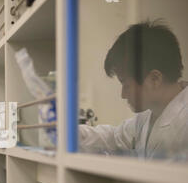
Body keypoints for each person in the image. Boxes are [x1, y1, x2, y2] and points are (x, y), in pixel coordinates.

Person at [79, 20, 188, 161]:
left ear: (155, 79)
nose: (123, 95)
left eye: (126, 84)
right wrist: (67, 132)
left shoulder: (183, 123)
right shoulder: (148, 116)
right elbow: (113, 138)